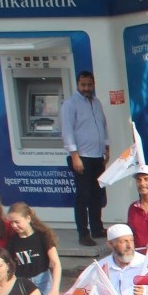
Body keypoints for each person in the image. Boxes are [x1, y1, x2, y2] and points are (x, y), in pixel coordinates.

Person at [60, 70, 108, 247]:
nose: (86, 88)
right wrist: (74, 155)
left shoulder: (96, 102)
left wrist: (106, 147)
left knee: (97, 194)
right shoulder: (70, 104)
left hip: (97, 155)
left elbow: (102, 125)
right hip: (81, 157)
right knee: (83, 196)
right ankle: (83, 233)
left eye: (89, 85)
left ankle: (97, 227)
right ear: (78, 84)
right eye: (83, 85)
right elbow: (67, 131)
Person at [4, 203, 60, 295]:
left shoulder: (43, 236)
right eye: (11, 222)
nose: (14, 226)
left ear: (28, 218)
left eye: (17, 222)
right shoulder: (13, 241)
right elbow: (9, 265)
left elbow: (56, 263)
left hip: (43, 281)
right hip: (23, 283)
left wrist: (54, 289)